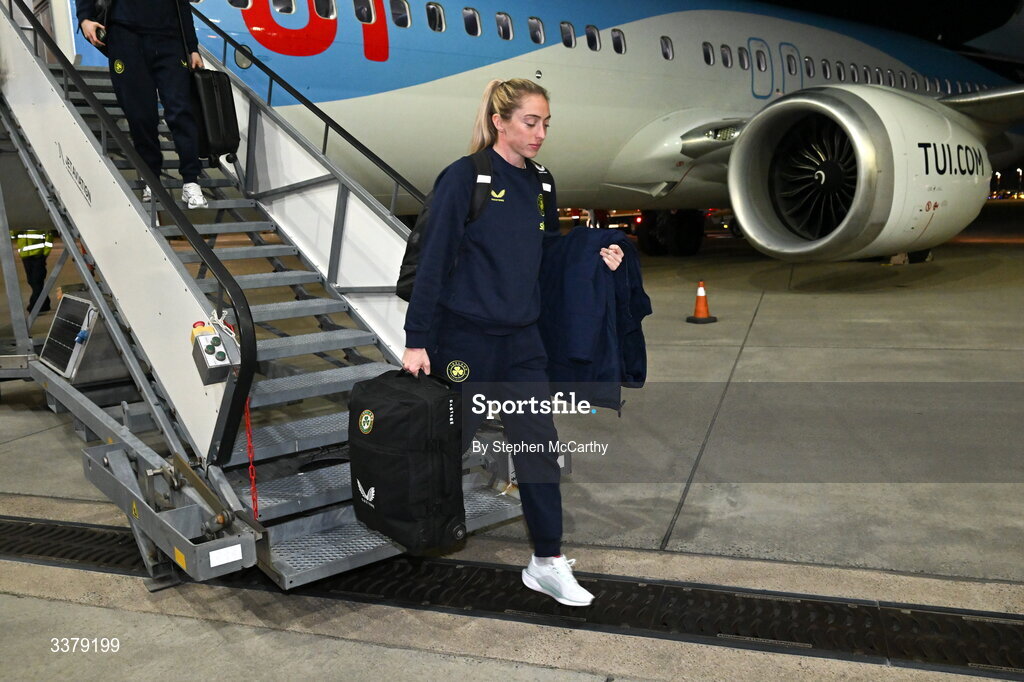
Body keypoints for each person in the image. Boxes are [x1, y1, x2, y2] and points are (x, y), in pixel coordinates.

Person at [403, 79, 623, 607]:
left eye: (547, 123)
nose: (541, 133)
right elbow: (432, 262)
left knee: (539, 448)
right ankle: (407, 534)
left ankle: (546, 561)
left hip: (522, 343)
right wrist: (417, 340)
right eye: (531, 122)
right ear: (501, 122)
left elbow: (548, 259)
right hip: (463, 344)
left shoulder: (543, 184)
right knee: (445, 450)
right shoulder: (465, 177)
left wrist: (594, 259)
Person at [77, 0, 208, 209]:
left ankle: (191, 180)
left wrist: (192, 47)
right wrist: (84, 17)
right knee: (140, 115)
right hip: (125, 35)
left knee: (181, 110)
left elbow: (182, 3)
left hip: (170, 37)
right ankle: (151, 180)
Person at [9, 228, 54, 312]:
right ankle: (45, 303)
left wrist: (45, 254)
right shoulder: (19, 224)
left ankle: (34, 305)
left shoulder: (38, 222)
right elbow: (11, 235)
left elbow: (49, 237)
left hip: (38, 256)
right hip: (25, 256)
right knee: (32, 281)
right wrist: (17, 228)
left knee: (36, 280)